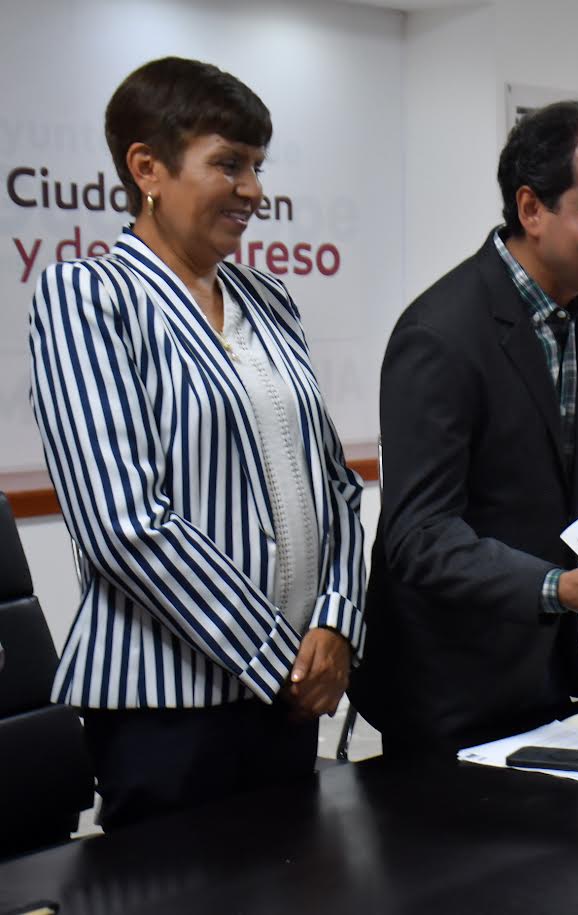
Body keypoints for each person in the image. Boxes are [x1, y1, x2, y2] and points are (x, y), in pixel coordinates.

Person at [27, 57, 365, 831]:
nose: (253, 190)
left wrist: (336, 623)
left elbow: (336, 484)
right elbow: (122, 522)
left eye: (257, 167)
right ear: (147, 167)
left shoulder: (268, 298)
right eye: (229, 164)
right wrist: (278, 655)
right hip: (168, 710)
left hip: (290, 692)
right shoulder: (89, 294)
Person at [350, 102, 578, 759]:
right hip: (447, 686)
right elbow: (419, 535)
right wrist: (556, 588)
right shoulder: (440, 334)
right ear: (531, 209)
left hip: (548, 670)